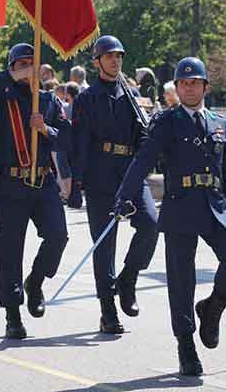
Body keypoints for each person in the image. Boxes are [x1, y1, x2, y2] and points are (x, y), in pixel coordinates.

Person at [115, 57, 226, 377]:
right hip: (180, 205)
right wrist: (124, 194)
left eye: (195, 83)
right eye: (184, 83)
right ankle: (185, 345)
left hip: (216, 205)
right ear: (177, 88)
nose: (189, 88)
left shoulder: (220, 123)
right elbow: (143, 159)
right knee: (181, 280)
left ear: (205, 87)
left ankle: (212, 307)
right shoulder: (166, 122)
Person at [0, 43, 70, 339]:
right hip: (11, 183)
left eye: (33, 63)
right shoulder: (1, 96)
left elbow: (66, 138)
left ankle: (36, 281)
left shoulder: (47, 100)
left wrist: (46, 130)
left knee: (58, 235)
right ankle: (13, 313)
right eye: (21, 64)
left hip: (42, 182)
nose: (29, 69)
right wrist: (15, 75)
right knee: (9, 250)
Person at [71, 35, 159, 334]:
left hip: (130, 172)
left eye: (119, 56)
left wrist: (149, 146)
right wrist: (75, 183)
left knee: (150, 224)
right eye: (109, 56)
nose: (115, 60)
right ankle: (108, 309)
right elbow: (80, 142)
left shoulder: (131, 96)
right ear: (97, 62)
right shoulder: (87, 98)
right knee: (104, 245)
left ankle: (128, 278)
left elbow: (142, 135)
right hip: (100, 174)